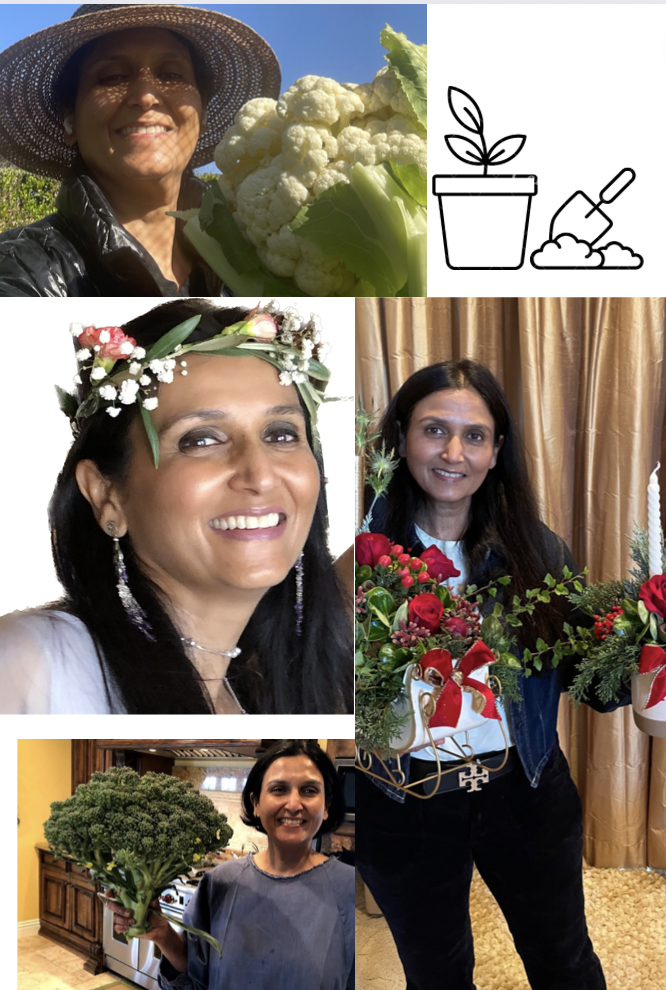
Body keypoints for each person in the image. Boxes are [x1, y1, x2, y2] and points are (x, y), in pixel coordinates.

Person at [355, 360, 626, 990]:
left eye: (474, 435)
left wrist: (638, 654)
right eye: (434, 430)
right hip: (405, 803)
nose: (454, 453)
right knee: (437, 975)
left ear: (497, 450)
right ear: (400, 438)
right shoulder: (359, 553)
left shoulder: (538, 551)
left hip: (524, 789)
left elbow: (590, 682)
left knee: (564, 962)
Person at [0, 301, 352, 715]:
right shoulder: (29, 664)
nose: (260, 475)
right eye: (200, 440)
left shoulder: (262, 691)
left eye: (280, 434)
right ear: (105, 495)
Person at [0, 4, 281, 296]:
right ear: (70, 120)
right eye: (113, 77)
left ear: (203, 114)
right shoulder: (22, 269)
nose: (146, 96)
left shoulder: (257, 254)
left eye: (172, 74)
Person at [105, 739, 355, 990]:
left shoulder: (348, 888)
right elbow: (194, 980)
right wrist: (162, 934)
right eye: (278, 789)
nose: (293, 804)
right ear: (256, 803)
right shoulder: (220, 882)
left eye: (309, 791)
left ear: (326, 807)